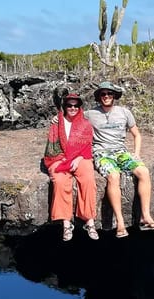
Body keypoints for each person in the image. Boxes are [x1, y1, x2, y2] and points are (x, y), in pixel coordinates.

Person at [86, 81, 154, 238]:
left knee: (143, 171)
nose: (106, 96)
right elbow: (69, 116)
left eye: (109, 94)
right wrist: (56, 119)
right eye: (103, 94)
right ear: (99, 97)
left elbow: (137, 134)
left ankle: (145, 216)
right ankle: (120, 223)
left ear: (114, 96)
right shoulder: (90, 114)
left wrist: (136, 153)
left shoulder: (124, 112)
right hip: (102, 153)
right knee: (114, 176)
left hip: (121, 152)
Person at [43, 93, 99, 241]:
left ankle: (89, 221)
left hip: (81, 157)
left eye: (76, 105)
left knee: (88, 179)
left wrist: (79, 157)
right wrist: (63, 159)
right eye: (69, 105)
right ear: (65, 107)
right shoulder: (57, 123)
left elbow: (88, 145)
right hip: (60, 158)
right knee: (60, 181)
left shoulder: (85, 123)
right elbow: (51, 147)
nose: (73, 108)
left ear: (80, 107)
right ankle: (66, 223)